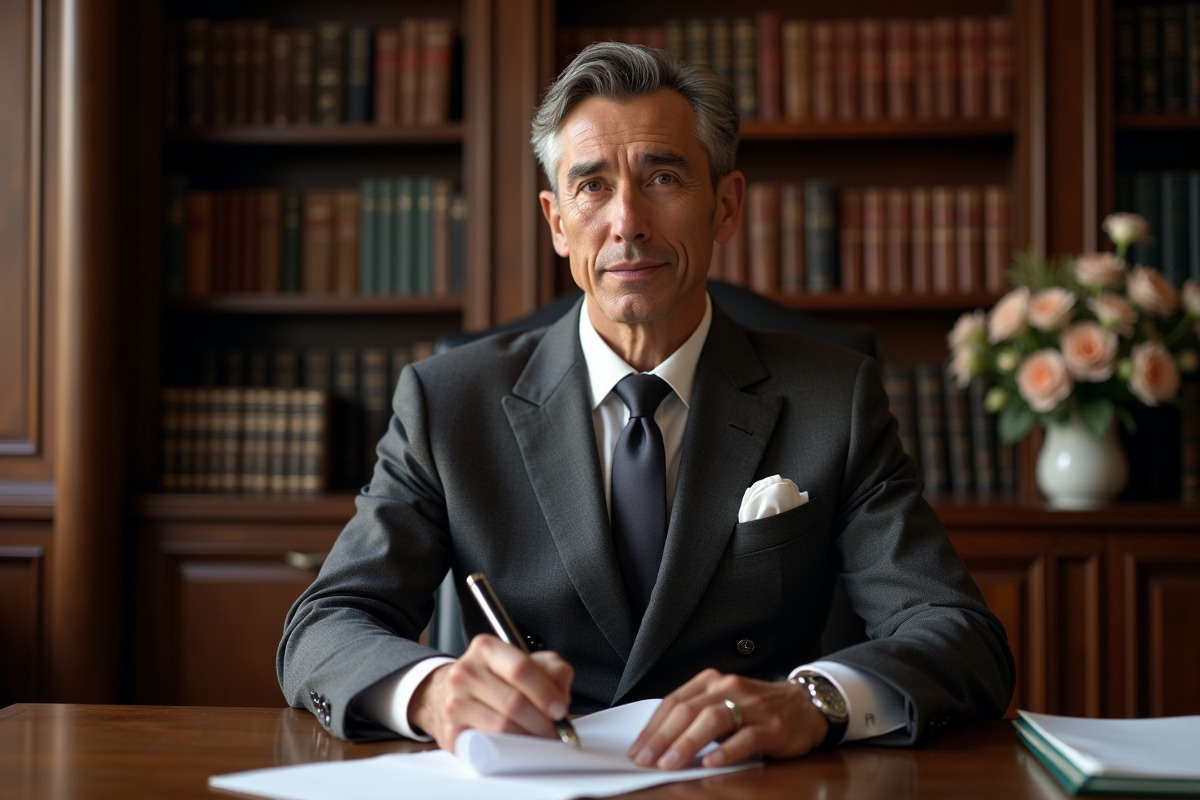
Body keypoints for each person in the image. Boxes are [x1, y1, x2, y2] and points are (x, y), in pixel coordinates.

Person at [278, 42, 1014, 770]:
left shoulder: (834, 398)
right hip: (539, 779)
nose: (626, 220)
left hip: (750, 783)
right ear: (557, 221)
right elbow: (324, 625)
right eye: (592, 186)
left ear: (725, 206)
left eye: (662, 177)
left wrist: (814, 699)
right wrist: (434, 690)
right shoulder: (448, 403)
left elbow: (957, 634)